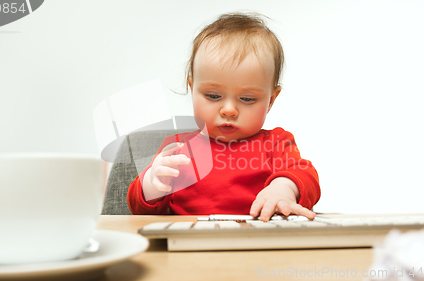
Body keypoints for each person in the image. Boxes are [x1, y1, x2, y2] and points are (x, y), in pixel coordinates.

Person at [127, 12, 320, 221]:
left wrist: (284, 188)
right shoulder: (178, 149)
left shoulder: (276, 143)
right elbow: (141, 211)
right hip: (190, 245)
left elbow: (305, 175)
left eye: (247, 98)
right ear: (192, 89)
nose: (229, 110)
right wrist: (151, 183)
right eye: (213, 95)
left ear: (271, 100)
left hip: (258, 243)